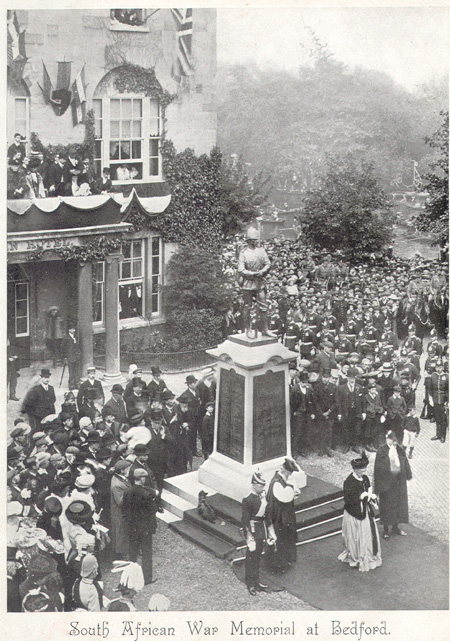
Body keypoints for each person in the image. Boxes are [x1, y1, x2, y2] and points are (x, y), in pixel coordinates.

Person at [338, 451, 382, 572]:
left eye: (365, 468)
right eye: (361, 469)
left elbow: (368, 490)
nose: (364, 471)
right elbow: (348, 500)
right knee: (356, 536)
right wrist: (360, 497)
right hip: (355, 514)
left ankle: (369, 555)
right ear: (355, 469)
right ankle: (357, 556)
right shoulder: (349, 482)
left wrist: (371, 497)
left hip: (365, 512)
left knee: (368, 534)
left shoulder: (365, 478)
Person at [241, 470, 276, 595]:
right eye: (260, 486)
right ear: (254, 485)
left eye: (263, 486)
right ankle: (250, 583)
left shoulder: (263, 497)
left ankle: (256, 581)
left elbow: (266, 516)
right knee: (251, 557)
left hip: (262, 529)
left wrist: (271, 531)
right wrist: (249, 538)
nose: (262, 488)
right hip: (253, 529)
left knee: (258, 557)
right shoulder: (248, 499)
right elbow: (245, 521)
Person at [122, 468, 158, 585]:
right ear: (142, 479)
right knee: (146, 553)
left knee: (133, 551)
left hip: (133, 527)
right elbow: (152, 510)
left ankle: (131, 575)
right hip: (145, 528)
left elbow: (124, 510)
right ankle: (147, 578)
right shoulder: (147, 494)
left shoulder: (127, 492)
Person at [237, 227, 276, 337]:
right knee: (247, 306)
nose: (256, 241)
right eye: (253, 240)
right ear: (248, 241)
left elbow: (268, 263)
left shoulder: (261, 250)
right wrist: (253, 273)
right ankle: (247, 329)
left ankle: (265, 329)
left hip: (260, 282)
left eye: (256, 239)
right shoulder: (243, 253)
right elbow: (241, 269)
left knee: (263, 306)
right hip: (248, 283)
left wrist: (262, 271)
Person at [374, 430, 412, 540]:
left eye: (395, 441)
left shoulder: (399, 449)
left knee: (398, 505)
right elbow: (378, 468)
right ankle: (386, 529)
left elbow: (405, 462)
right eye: (391, 440)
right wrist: (378, 487)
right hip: (386, 483)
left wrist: (408, 474)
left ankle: (395, 527)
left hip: (398, 482)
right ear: (387, 439)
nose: (393, 443)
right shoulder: (382, 450)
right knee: (386, 506)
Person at [265, 458, 299, 573]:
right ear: (285, 470)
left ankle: (284, 561)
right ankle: (277, 565)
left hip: (283, 515)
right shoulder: (277, 483)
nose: (290, 475)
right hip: (278, 516)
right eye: (289, 472)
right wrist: (291, 488)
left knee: (284, 538)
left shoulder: (282, 479)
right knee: (280, 539)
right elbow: (284, 497)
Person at [21, 369, 56, 433]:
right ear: (41, 378)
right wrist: (36, 416)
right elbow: (29, 406)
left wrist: (52, 414)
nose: (47, 379)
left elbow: (53, 401)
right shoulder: (35, 390)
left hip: (48, 416)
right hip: (38, 417)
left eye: (48, 377)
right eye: (45, 377)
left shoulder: (51, 388)